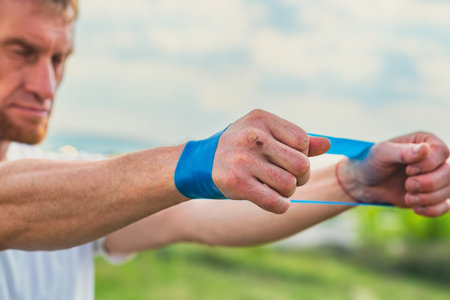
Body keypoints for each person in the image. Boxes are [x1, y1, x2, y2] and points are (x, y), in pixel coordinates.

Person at [0, 0, 448, 299]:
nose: (47, 85)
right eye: (21, 51)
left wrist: (353, 181)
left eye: (59, 59)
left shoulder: (72, 187)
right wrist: (200, 159)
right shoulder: (44, 192)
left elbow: (192, 213)